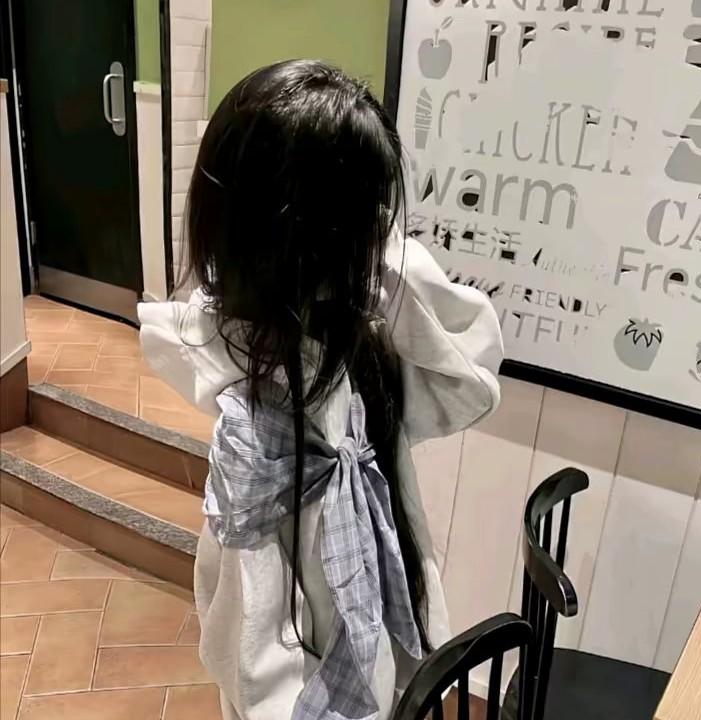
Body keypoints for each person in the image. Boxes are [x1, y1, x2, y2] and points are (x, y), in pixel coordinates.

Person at [138, 59, 503, 720]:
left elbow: (470, 377)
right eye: (363, 222)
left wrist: (385, 263)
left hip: (388, 669)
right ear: (301, 238)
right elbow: (253, 654)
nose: (380, 235)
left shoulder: (359, 346)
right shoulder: (256, 426)